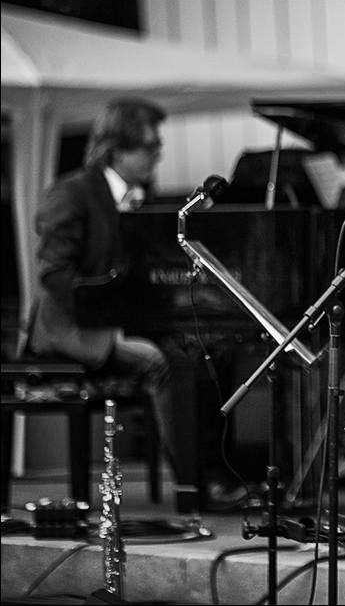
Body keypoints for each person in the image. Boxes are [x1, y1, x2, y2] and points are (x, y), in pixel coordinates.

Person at [26, 98, 207, 516]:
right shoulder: (71, 193)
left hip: (117, 323)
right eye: (150, 147)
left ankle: (207, 474)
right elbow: (53, 274)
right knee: (160, 361)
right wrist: (109, 312)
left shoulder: (133, 196)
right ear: (117, 149)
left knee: (199, 350)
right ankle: (191, 484)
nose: (157, 155)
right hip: (71, 330)